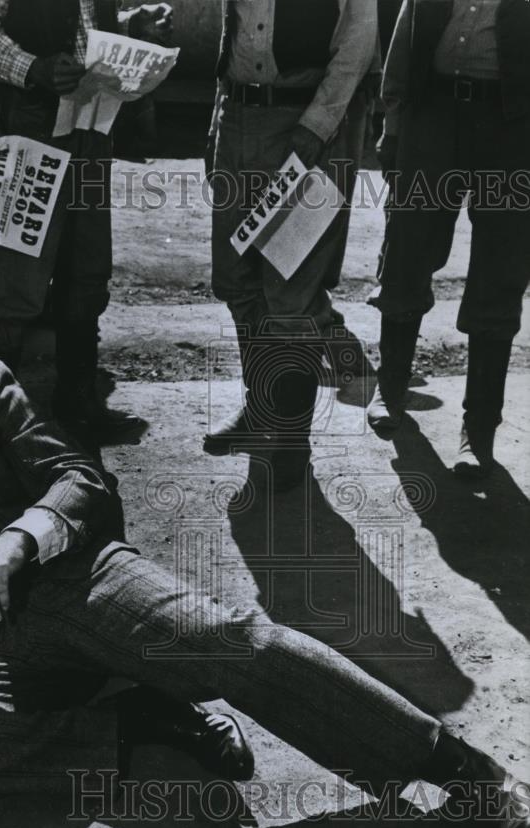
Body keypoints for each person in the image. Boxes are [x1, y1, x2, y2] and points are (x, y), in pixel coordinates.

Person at [0, 289, 530, 828]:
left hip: (76, 588)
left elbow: (80, 479)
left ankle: (464, 773)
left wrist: (19, 537)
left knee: (234, 642)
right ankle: (137, 724)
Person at [0, 0, 173, 440]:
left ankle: (78, 403)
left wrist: (129, 25)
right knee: (20, 276)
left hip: (93, 124)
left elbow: (84, 28)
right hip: (34, 120)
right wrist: (32, 68)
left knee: (87, 269)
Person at [204, 0, 379, 490]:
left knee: (290, 292)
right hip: (238, 118)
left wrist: (317, 125)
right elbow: (234, 32)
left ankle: (290, 437)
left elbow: (357, 45)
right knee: (237, 281)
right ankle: (260, 409)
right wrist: (217, 124)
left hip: (305, 126)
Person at [367, 0, 530, 479]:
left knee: (501, 269)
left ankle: (478, 430)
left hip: (511, 128)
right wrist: (393, 126)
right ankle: (390, 388)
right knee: (407, 249)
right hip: (432, 118)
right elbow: (404, 43)